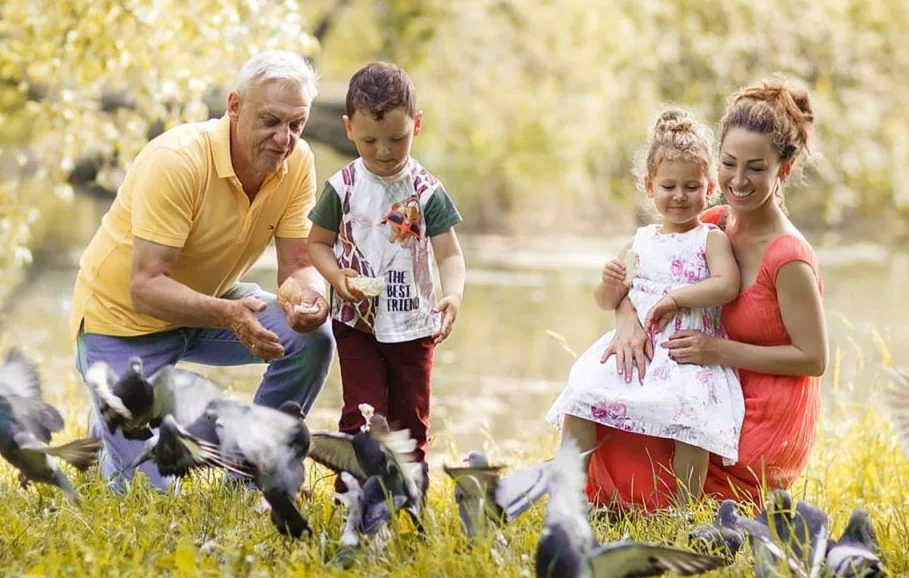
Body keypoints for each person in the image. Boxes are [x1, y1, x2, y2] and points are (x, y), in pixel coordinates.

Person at [70, 50, 335, 493]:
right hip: (119, 324)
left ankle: (251, 477)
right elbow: (146, 287)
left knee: (311, 339)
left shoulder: (298, 161)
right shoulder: (178, 160)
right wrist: (228, 315)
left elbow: (298, 266)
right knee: (152, 496)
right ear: (234, 106)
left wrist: (310, 298)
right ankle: (109, 429)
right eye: (270, 120)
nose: (284, 137)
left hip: (207, 302)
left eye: (296, 124)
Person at [590, 75, 828, 511]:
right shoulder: (714, 222)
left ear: (784, 170)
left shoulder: (789, 257)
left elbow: (813, 359)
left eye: (756, 168)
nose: (739, 180)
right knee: (609, 418)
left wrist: (719, 350)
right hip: (708, 385)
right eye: (729, 163)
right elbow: (641, 277)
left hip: (763, 416)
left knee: (653, 462)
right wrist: (625, 321)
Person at [546, 109, 745, 504]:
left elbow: (727, 284)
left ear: (709, 188)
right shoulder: (641, 240)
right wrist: (608, 285)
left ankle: (685, 507)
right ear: (649, 186)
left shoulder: (710, 239)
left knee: (692, 414)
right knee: (583, 389)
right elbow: (609, 301)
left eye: (691, 187)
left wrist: (676, 298)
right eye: (668, 186)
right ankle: (569, 490)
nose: (679, 196)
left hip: (687, 351)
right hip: (639, 349)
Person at [307, 62, 466, 493]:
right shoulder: (341, 187)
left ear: (417, 125)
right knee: (363, 413)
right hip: (355, 323)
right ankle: (353, 501)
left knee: (410, 421)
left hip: (414, 326)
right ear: (348, 129)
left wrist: (452, 295)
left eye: (397, 138)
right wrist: (336, 276)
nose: (382, 151)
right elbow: (316, 243)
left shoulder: (425, 190)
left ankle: (408, 505)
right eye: (369, 140)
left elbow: (449, 253)